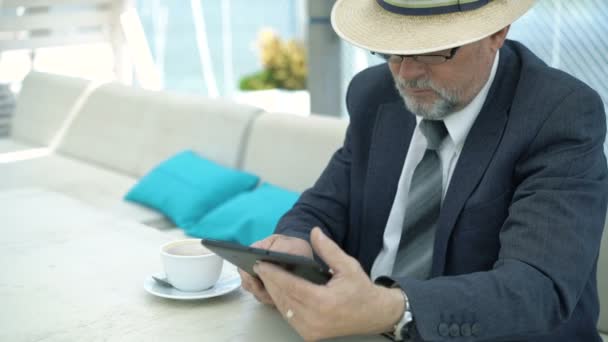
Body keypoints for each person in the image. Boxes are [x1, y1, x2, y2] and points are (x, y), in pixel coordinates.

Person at [239, 0, 608, 341]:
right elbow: (324, 205)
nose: (408, 73)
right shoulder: (375, 93)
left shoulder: (559, 113)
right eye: (392, 48)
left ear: (497, 32)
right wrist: (293, 245)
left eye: (434, 50)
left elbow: (537, 287)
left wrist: (391, 308)